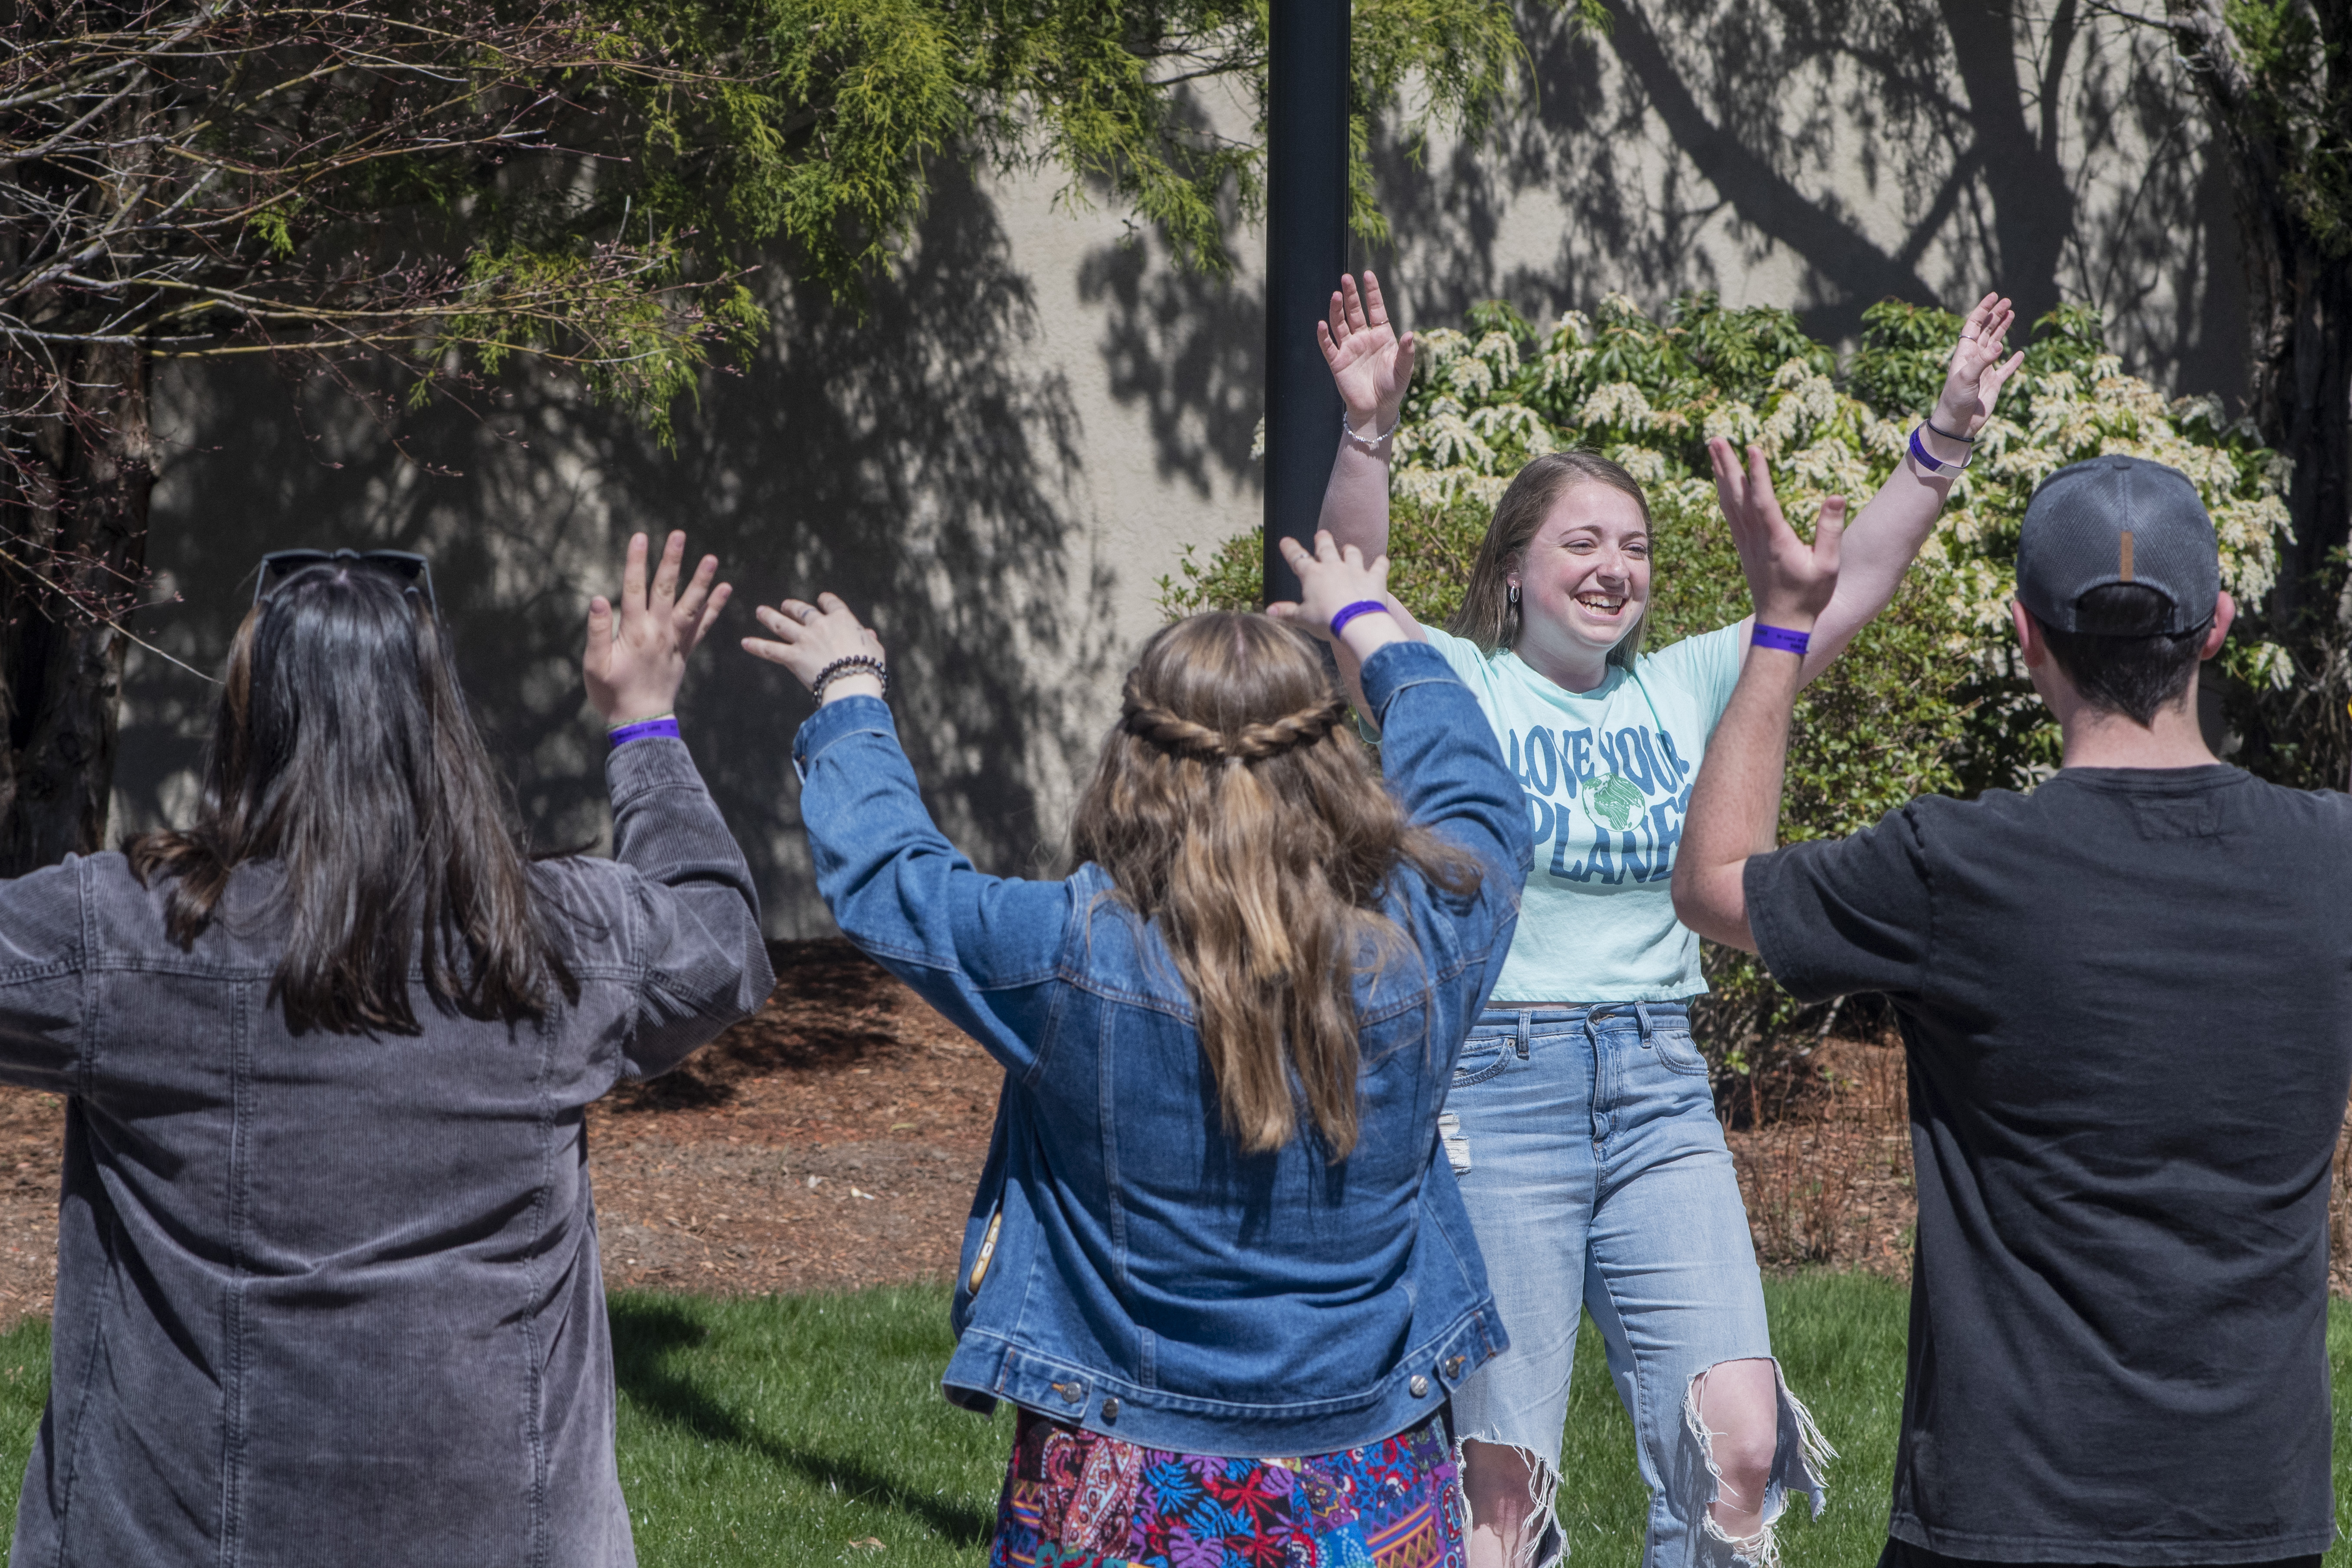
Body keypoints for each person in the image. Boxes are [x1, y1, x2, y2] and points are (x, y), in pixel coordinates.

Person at [1310, 270, 2026, 1568]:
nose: (1614, 566)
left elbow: (1837, 582)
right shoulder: (1454, 682)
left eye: (1633, 544)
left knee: (1736, 1442)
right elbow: (1347, 591)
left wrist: (1947, 435)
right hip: (1493, 1088)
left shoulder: (1688, 683)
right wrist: (1366, 430)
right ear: (1512, 571)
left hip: (1654, 1082)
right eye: (1580, 542)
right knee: (1498, 1492)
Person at [747, 532, 1532, 1567]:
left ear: (1134, 764)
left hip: (1120, 1477)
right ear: (1334, 760)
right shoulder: (1430, 937)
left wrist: (850, 691)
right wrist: (1370, 626)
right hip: (1368, 1471)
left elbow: (893, 878)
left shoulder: (1065, 958)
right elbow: (1484, 803)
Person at [0, 535, 773, 1566]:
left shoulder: (130, 933)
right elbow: (720, 946)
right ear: (434, 723)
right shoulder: (553, 938)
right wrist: (643, 726)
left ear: (247, 719)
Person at [1673, 452, 2349, 1568]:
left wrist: (1781, 628)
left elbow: (1713, 882)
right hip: (2249, 1513)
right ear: (2216, 625)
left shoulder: (1955, 864)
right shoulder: (2329, 857)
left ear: (2026, 635)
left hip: (2004, 1511)